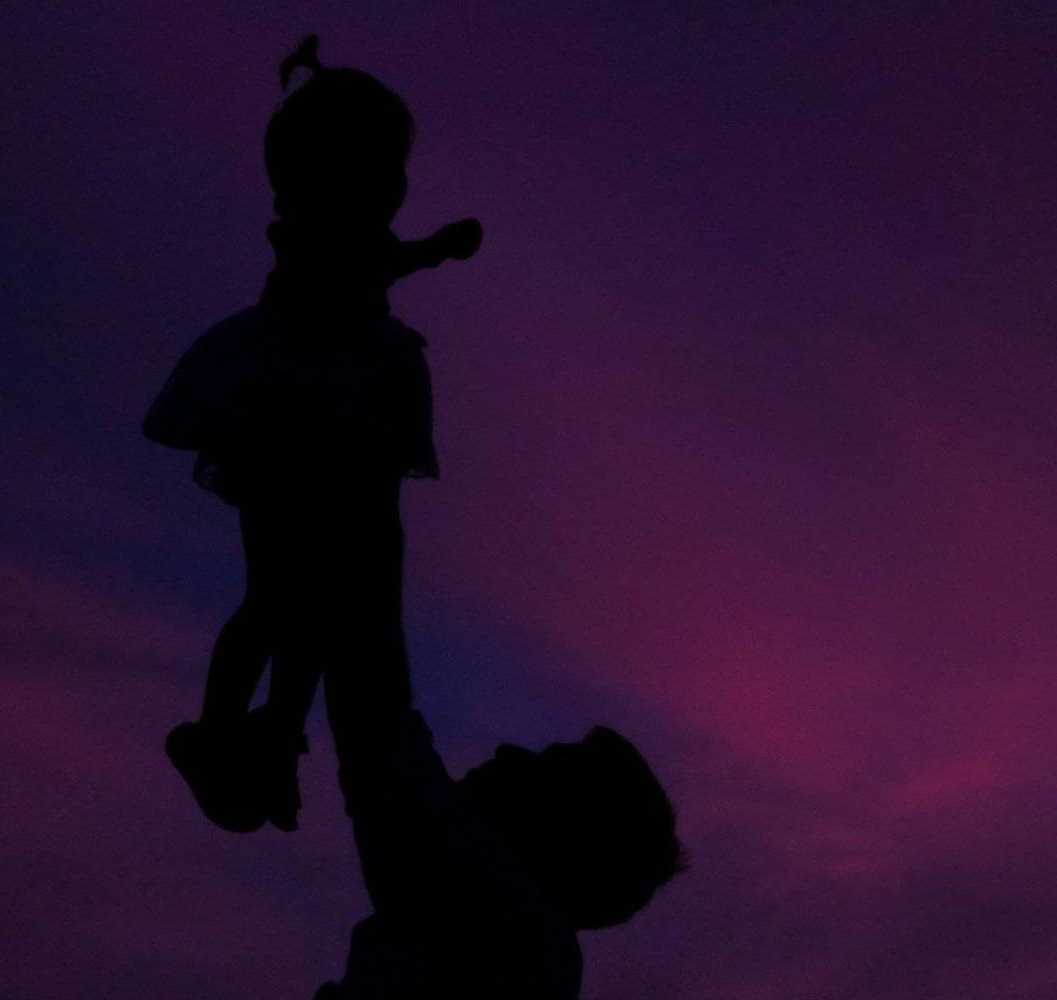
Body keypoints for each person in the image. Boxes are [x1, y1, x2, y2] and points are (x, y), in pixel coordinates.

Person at [143, 35, 481, 833]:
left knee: (313, 604)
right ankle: (222, 728)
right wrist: (435, 250)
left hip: (333, 419)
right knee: (277, 595)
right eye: (378, 167)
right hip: (295, 421)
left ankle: (277, 730)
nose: (395, 185)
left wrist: (425, 251)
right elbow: (358, 268)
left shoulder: (347, 263)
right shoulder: (317, 250)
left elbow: (367, 266)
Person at [313, 637, 685, 998]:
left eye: (544, 767)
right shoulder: (534, 953)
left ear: (560, 831)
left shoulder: (508, 927)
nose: (508, 751)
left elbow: (381, 732)